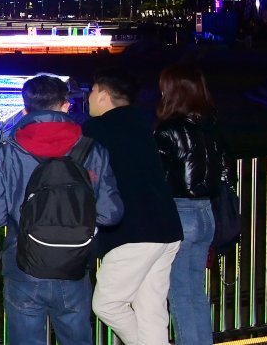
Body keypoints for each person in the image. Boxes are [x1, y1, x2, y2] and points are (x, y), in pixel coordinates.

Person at [0, 73, 123, 345]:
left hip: (22, 265)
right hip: (74, 264)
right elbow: (111, 213)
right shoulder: (91, 150)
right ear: (65, 105)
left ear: (25, 110)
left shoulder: (8, 152)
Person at [83, 68, 182, 345]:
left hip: (133, 232)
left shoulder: (96, 129)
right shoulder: (143, 122)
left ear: (103, 95)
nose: (88, 98)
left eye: (92, 92)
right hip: (167, 227)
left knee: (107, 304)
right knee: (152, 310)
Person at [154, 63, 231, 345]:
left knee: (180, 294)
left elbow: (159, 179)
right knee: (195, 291)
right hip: (206, 212)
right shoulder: (210, 125)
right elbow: (225, 170)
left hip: (180, 212)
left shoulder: (167, 130)